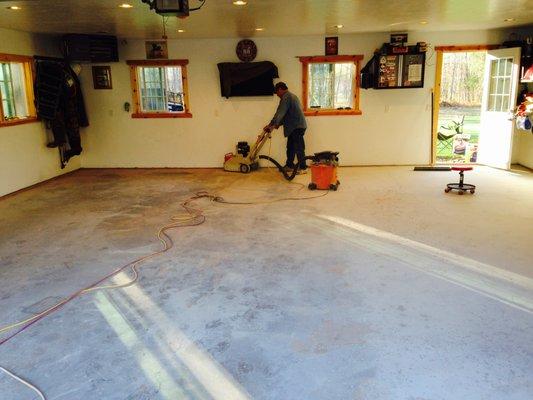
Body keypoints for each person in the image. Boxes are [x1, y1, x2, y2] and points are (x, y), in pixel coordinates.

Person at [264, 82, 308, 172]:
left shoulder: (286, 97)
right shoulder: (291, 96)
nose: (277, 95)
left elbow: (280, 113)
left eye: (277, 93)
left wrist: (271, 124)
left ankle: (303, 167)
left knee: (299, 147)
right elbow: (287, 114)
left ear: (280, 89)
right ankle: (289, 165)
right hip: (295, 126)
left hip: (296, 126)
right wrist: (276, 124)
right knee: (291, 147)